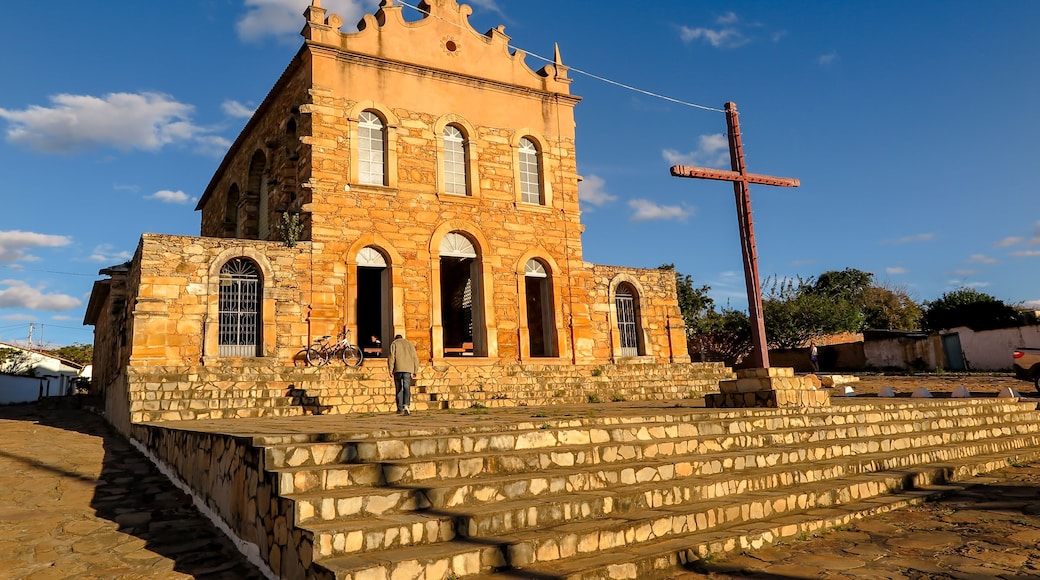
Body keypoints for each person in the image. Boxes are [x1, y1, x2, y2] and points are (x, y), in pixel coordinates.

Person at [387, 333, 419, 415]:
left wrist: (390, 369)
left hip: (398, 368)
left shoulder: (394, 344)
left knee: (399, 388)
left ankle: (399, 408)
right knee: (406, 387)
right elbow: (415, 357)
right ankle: (406, 405)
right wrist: (415, 370)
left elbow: (391, 357)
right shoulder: (409, 344)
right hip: (408, 369)